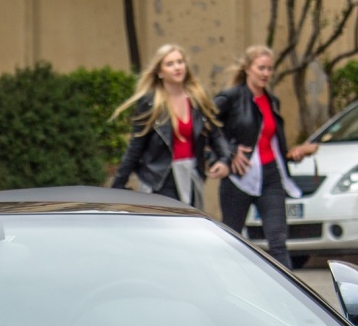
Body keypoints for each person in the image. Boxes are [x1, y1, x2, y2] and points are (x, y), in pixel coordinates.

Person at [213, 45, 317, 269]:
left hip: (270, 176)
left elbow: (269, 145)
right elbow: (208, 125)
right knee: (230, 239)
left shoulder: (272, 101)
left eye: (269, 69)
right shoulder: (230, 97)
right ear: (248, 68)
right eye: (261, 68)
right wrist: (228, 154)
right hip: (239, 176)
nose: (266, 74)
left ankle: (292, 299)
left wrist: (295, 153)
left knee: (278, 240)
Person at [111, 44, 231, 209]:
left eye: (180, 62)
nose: (177, 67)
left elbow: (215, 133)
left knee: (191, 230)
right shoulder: (151, 103)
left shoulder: (197, 99)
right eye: (170, 64)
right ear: (160, 72)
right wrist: (117, 186)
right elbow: (135, 146)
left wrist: (224, 159)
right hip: (160, 179)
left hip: (191, 175)